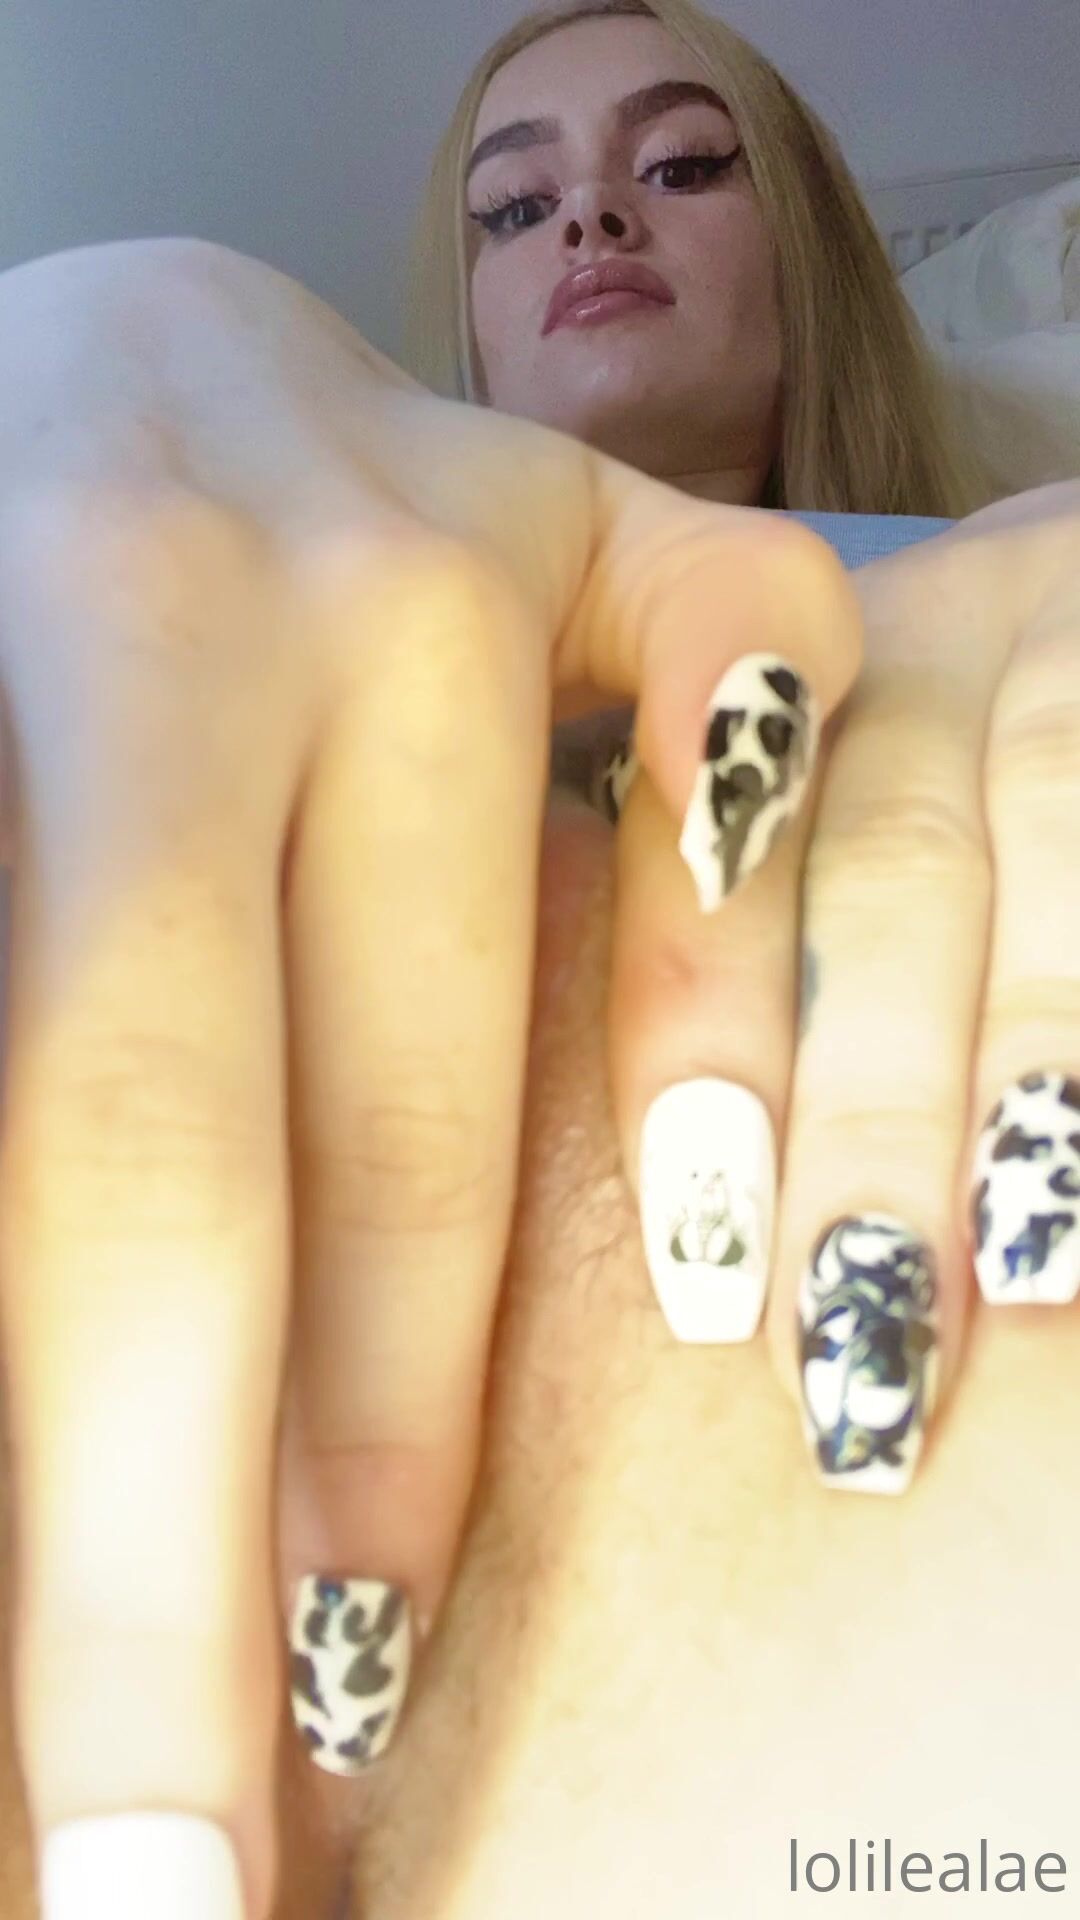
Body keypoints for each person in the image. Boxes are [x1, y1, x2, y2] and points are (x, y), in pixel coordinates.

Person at [0, 3, 1076, 1918]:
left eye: (680, 165)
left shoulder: (1018, 562)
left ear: (817, 258)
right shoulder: (172, 620)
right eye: (516, 207)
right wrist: (87, 333)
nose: (590, 220)